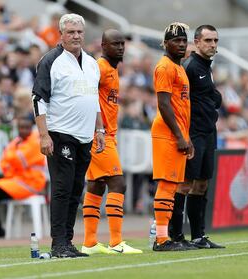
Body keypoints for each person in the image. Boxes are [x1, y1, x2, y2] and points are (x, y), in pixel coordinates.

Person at [31, 13, 105, 258]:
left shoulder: (92, 63)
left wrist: (100, 129)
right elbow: (38, 99)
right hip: (61, 133)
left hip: (85, 136)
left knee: (76, 190)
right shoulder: (51, 61)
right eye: (71, 32)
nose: (75, 36)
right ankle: (58, 244)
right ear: (61, 34)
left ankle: (68, 241)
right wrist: (44, 135)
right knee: (62, 189)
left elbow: (93, 100)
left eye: (79, 32)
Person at [81, 29, 142, 255]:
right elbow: (84, 94)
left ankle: (89, 243)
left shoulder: (113, 70)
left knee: (96, 185)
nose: (120, 48)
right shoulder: (99, 68)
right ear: (103, 46)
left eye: (122, 44)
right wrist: (96, 129)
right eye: (115, 44)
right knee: (118, 183)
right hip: (99, 135)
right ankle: (116, 243)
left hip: (107, 135)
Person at [169, 25, 225, 249]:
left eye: (215, 41)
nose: (212, 45)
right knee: (185, 184)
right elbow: (179, 99)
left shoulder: (206, 67)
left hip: (208, 131)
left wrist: (215, 99)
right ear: (197, 42)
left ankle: (199, 236)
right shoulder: (190, 66)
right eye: (208, 40)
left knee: (202, 184)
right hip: (193, 133)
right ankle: (175, 235)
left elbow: (207, 95)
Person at [151, 22, 195, 252]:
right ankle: (161, 239)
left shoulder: (179, 67)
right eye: (176, 40)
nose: (181, 44)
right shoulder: (165, 67)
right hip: (166, 133)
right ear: (165, 43)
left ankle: (167, 236)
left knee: (173, 185)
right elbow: (164, 104)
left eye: (183, 40)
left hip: (177, 133)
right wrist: (179, 135)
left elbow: (181, 107)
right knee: (167, 184)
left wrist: (187, 137)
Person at [0, 116, 46, 237]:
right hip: (16, 180)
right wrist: (12, 160)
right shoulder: (16, 142)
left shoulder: (35, 141)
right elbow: (4, 163)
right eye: (21, 127)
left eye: (27, 128)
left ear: (31, 128)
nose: (24, 130)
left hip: (31, 182)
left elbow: (17, 159)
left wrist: (11, 159)